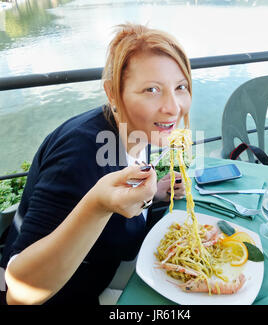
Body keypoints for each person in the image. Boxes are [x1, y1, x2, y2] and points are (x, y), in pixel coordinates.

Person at [0, 22, 192, 305]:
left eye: (180, 87)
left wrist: (157, 194)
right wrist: (97, 206)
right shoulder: (80, 154)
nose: (173, 107)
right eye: (152, 89)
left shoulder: (138, 130)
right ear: (113, 93)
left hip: (101, 273)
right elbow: (19, 294)